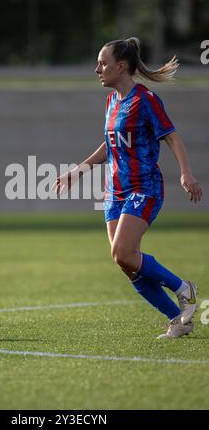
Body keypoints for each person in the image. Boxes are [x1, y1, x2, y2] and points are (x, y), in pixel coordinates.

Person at [52, 37, 203, 339]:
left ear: (121, 66)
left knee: (123, 251)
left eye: (103, 63)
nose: (97, 69)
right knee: (125, 262)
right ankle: (178, 320)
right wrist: (78, 170)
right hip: (115, 192)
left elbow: (172, 136)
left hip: (143, 188)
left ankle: (183, 287)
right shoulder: (112, 101)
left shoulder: (145, 99)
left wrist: (186, 173)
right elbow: (110, 145)